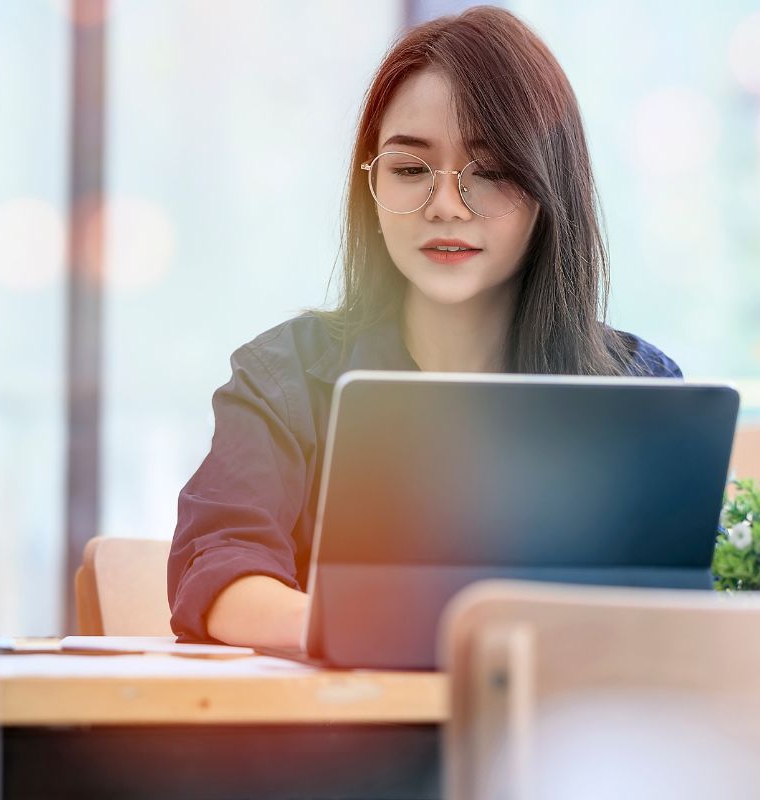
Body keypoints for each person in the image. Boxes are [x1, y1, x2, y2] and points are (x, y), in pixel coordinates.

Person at [167, 6, 683, 650]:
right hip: (346, 734)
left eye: (490, 173)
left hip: (564, 739)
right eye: (410, 169)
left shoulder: (638, 390)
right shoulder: (286, 377)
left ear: (551, 189)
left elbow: (678, 599)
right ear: (372, 184)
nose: (445, 205)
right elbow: (218, 562)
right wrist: (371, 631)